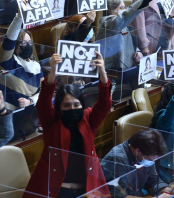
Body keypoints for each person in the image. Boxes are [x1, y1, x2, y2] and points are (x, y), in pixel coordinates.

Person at [24, 52, 111, 197]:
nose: (72, 108)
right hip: (57, 191)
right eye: (67, 105)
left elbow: (104, 103)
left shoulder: (88, 118)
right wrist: (53, 71)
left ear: (82, 104)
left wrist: (102, 71)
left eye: (76, 104)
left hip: (87, 190)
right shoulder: (51, 121)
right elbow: (43, 103)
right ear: (59, 107)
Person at [98, 0, 161, 70]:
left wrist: (138, 52)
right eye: (121, 8)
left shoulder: (122, 24)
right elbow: (126, 15)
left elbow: (129, 42)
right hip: (111, 70)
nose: (124, 10)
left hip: (126, 68)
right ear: (111, 11)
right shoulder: (108, 22)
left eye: (125, 7)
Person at [101, 129, 174, 197]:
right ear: (138, 151)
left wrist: (167, 190)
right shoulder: (117, 160)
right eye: (150, 159)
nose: (152, 162)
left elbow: (153, 180)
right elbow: (120, 196)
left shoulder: (147, 153)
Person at [0, 9, 43, 110]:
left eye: (29, 43)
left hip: (31, 109)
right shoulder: (7, 61)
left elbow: (43, 92)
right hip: (7, 110)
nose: (28, 46)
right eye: (24, 43)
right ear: (15, 46)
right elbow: (9, 41)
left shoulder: (36, 66)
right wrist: (19, 18)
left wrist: (30, 101)